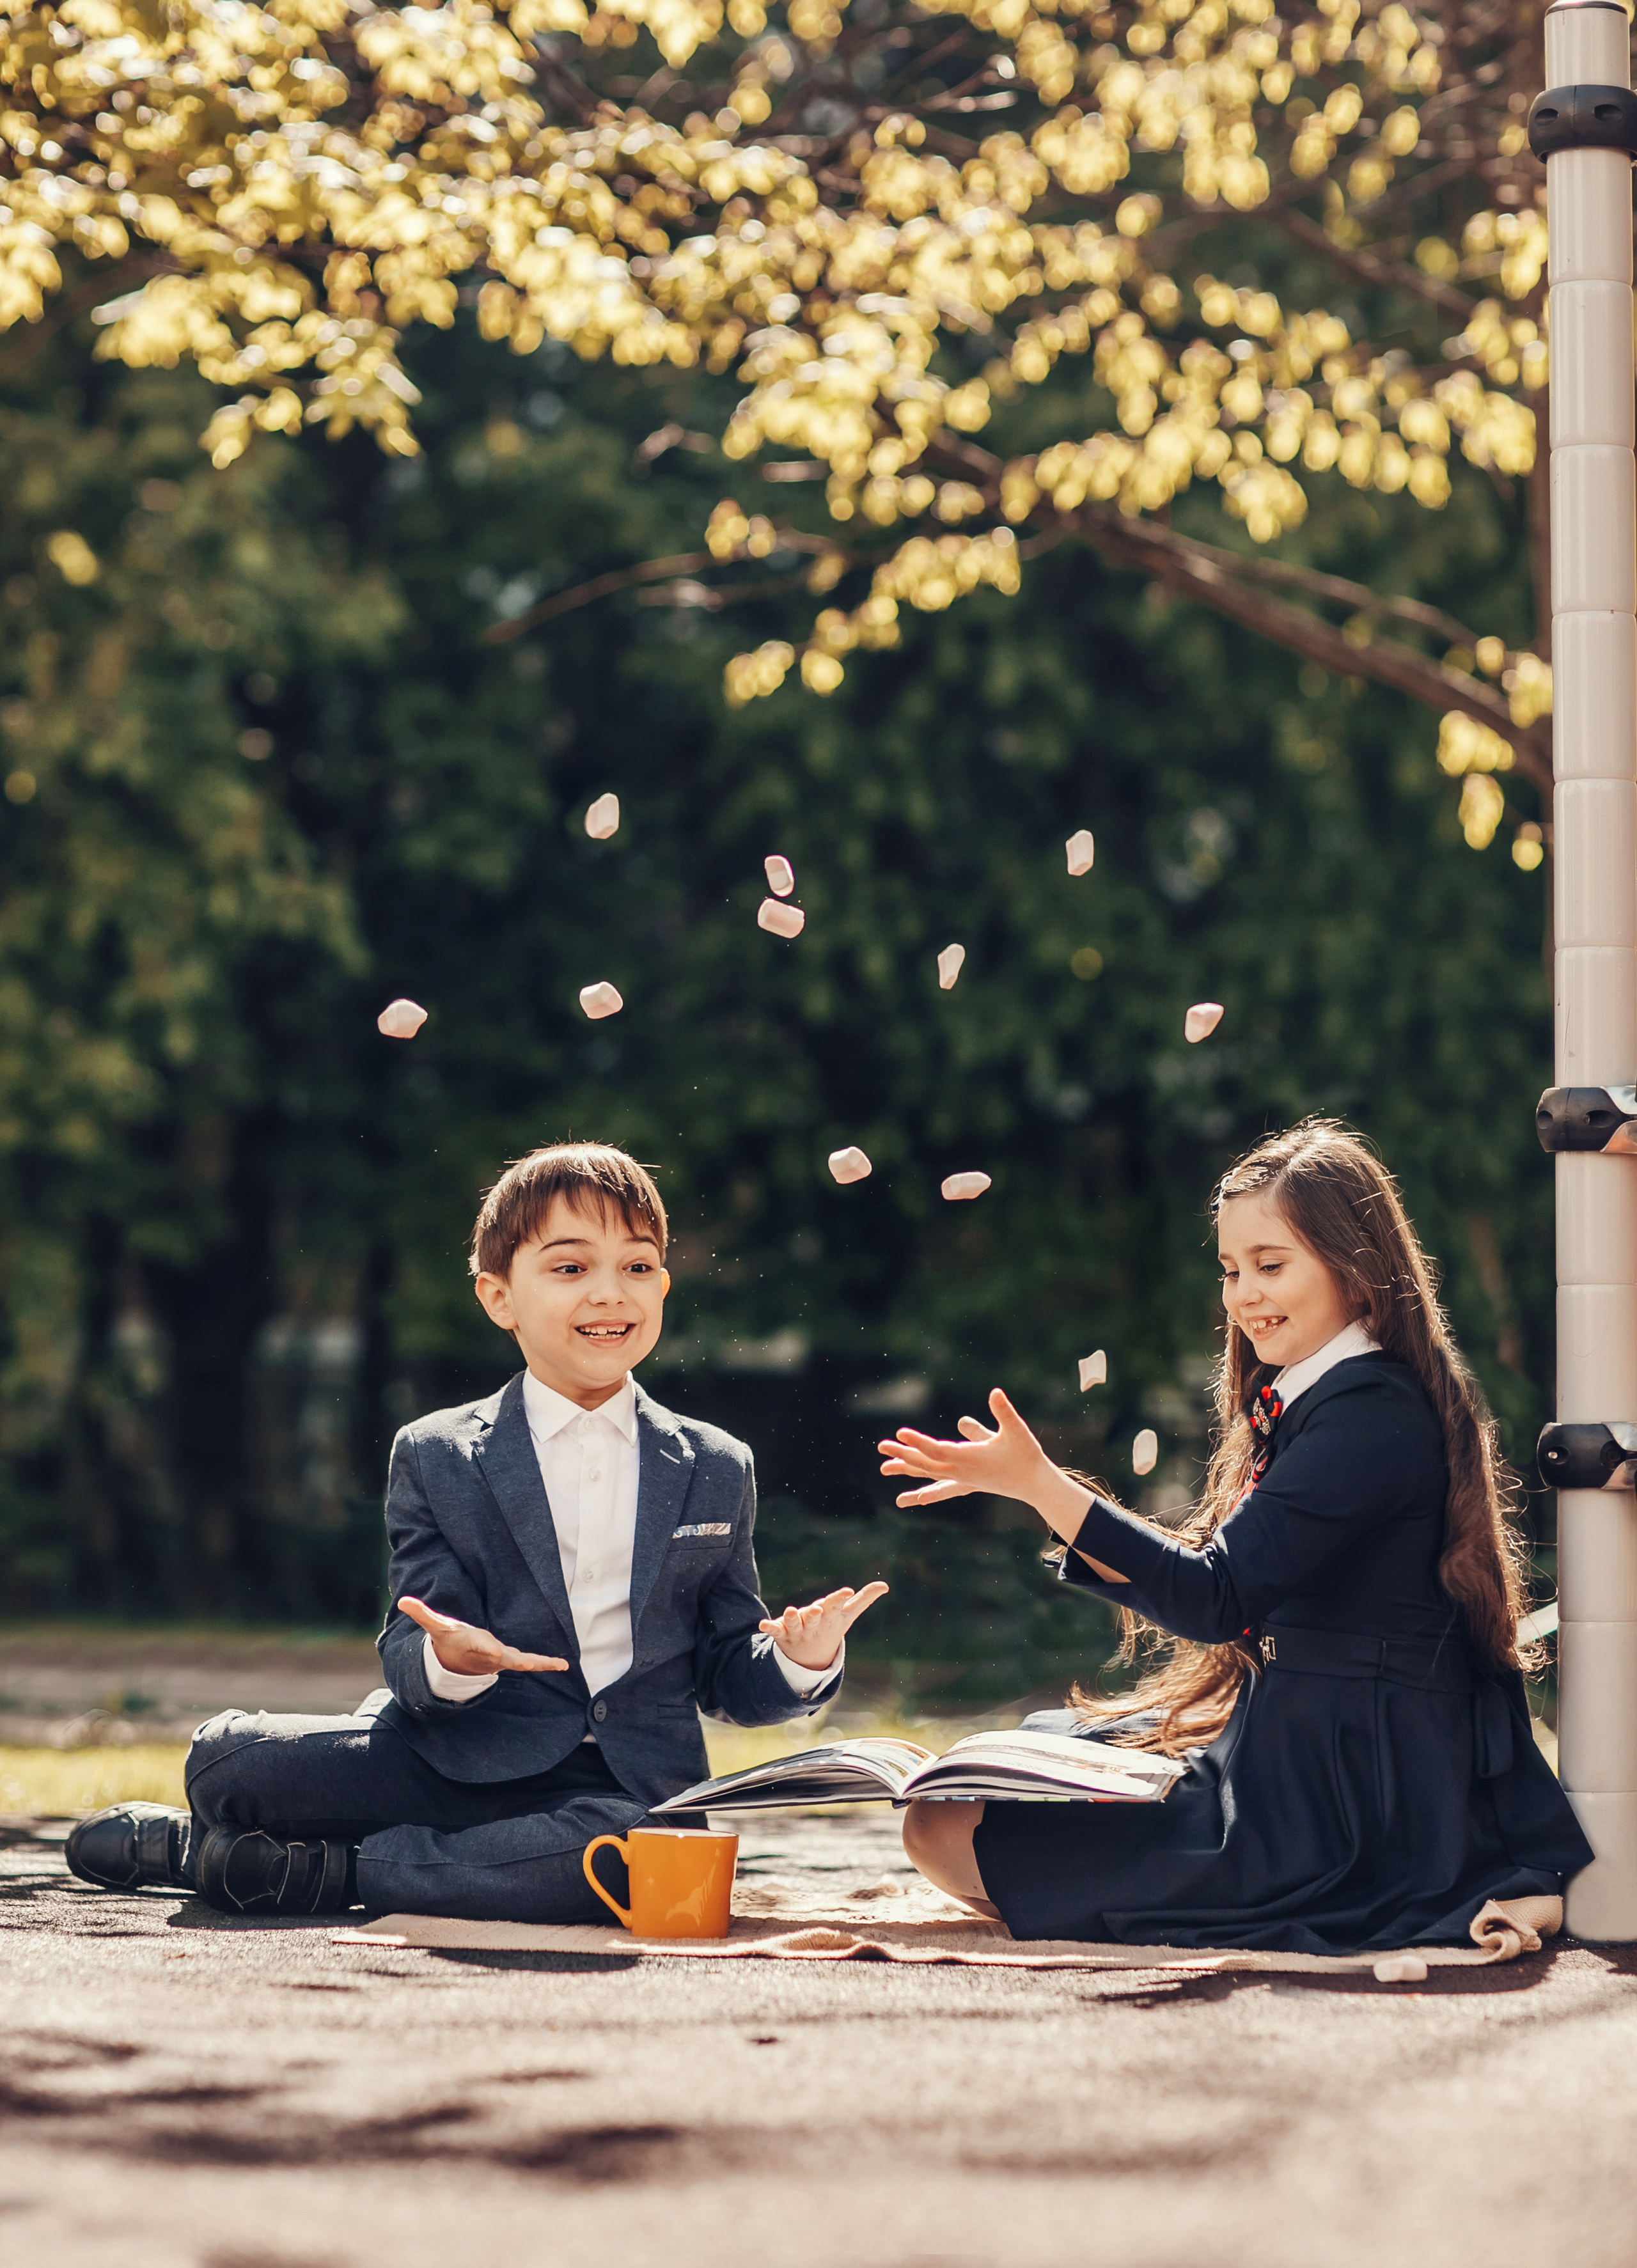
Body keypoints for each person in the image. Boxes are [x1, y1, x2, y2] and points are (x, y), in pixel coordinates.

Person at [68, 1141, 885, 1920]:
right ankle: (286, 1848)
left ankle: (306, 1868)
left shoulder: (716, 1462)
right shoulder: (437, 1452)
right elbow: (409, 1637)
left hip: (622, 1799)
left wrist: (798, 1660)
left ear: (663, 1290)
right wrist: (448, 1660)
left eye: (636, 1267)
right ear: (500, 1297)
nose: (609, 1293)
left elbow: (724, 1672)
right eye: (570, 1268)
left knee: (624, 1858)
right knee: (225, 1760)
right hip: (452, 1754)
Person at [881, 1119, 1593, 1954]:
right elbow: (1223, 1584)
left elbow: (1215, 1596)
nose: (1243, 1294)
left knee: (939, 1824)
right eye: (1230, 1269)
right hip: (1293, 1748)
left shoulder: (1371, 1415)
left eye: (1271, 1264)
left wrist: (1045, 1486)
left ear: (1357, 1270)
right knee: (1008, 1752)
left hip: (1340, 1809)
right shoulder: (1332, 1396)